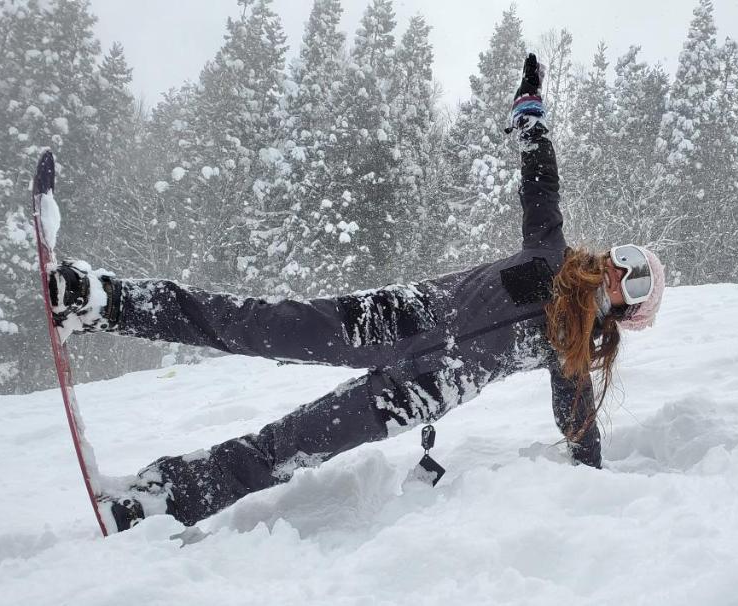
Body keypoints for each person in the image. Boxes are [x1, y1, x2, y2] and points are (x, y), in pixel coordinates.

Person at [48, 54, 667, 533]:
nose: (620, 270)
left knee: (284, 448)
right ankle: (99, 300)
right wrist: (530, 115)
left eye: (635, 280)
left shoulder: (573, 355)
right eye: (629, 258)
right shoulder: (551, 254)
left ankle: (150, 503)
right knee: (251, 322)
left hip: (416, 394)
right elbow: (540, 181)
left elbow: (578, 426)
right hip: (396, 317)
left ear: (630, 311)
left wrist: (598, 485)